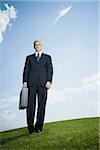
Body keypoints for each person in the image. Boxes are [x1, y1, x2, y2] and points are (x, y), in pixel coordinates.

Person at [22, 40, 53, 134]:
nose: (37, 46)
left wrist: (49, 81)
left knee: (41, 106)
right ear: (34, 47)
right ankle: (30, 128)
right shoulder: (29, 58)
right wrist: (25, 82)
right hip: (31, 84)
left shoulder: (47, 57)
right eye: (36, 45)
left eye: (39, 44)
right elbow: (26, 70)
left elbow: (50, 69)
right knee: (30, 107)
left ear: (41, 46)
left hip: (43, 84)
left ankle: (39, 127)